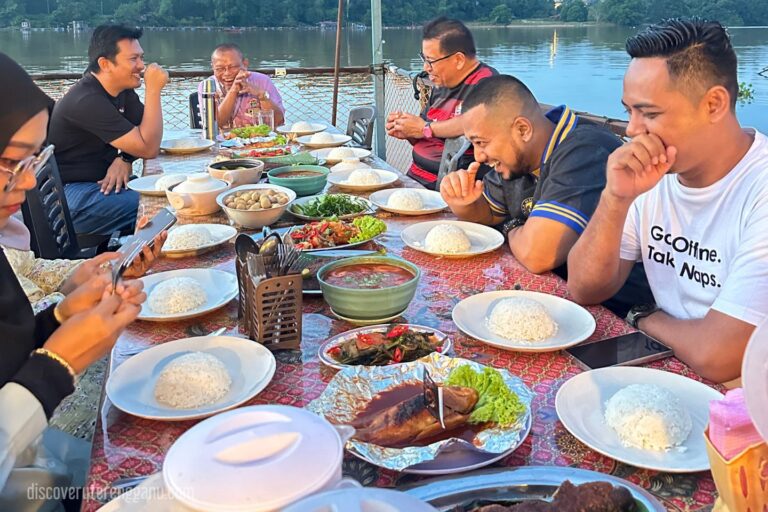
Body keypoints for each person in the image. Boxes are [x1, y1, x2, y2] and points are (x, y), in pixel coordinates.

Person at [567, 19, 768, 383]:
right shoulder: (657, 176)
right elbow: (583, 288)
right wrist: (615, 199)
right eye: (629, 111)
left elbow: (717, 356)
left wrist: (643, 317)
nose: (631, 130)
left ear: (714, 104)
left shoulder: (759, 189)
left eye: (650, 113)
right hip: (672, 366)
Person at [0, 53, 145, 510]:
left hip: (38, 466)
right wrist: (59, 362)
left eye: (34, 161)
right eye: (10, 163)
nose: (25, 186)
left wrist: (62, 315)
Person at [440, 74, 652, 316]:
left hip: (618, 313)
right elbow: (488, 212)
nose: (478, 156)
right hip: (555, 298)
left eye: (481, 143)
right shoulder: (518, 158)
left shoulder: (584, 149)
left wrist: (510, 226)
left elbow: (538, 255)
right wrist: (464, 201)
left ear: (522, 129)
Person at [48, 24, 169, 237]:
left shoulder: (120, 90)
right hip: (71, 197)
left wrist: (125, 158)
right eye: (133, 59)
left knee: (173, 188)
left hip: (101, 186)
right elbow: (149, 148)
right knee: (161, 208)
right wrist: (153, 90)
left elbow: (149, 132)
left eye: (141, 57)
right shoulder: (87, 100)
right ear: (105, 64)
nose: (142, 66)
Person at [386, 17, 497, 189]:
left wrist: (425, 128)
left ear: (459, 59)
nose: (425, 68)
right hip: (414, 178)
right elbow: (426, 137)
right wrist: (407, 130)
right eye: (423, 58)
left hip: (448, 188)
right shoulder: (442, 84)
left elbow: (474, 122)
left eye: (430, 61)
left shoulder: (486, 82)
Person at [198, 43, 285, 129]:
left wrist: (261, 95)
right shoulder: (207, 86)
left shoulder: (262, 80)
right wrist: (233, 91)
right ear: (212, 67)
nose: (227, 73)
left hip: (259, 139)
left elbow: (279, 120)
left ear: (245, 64)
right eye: (219, 69)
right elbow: (215, 124)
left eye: (233, 67)